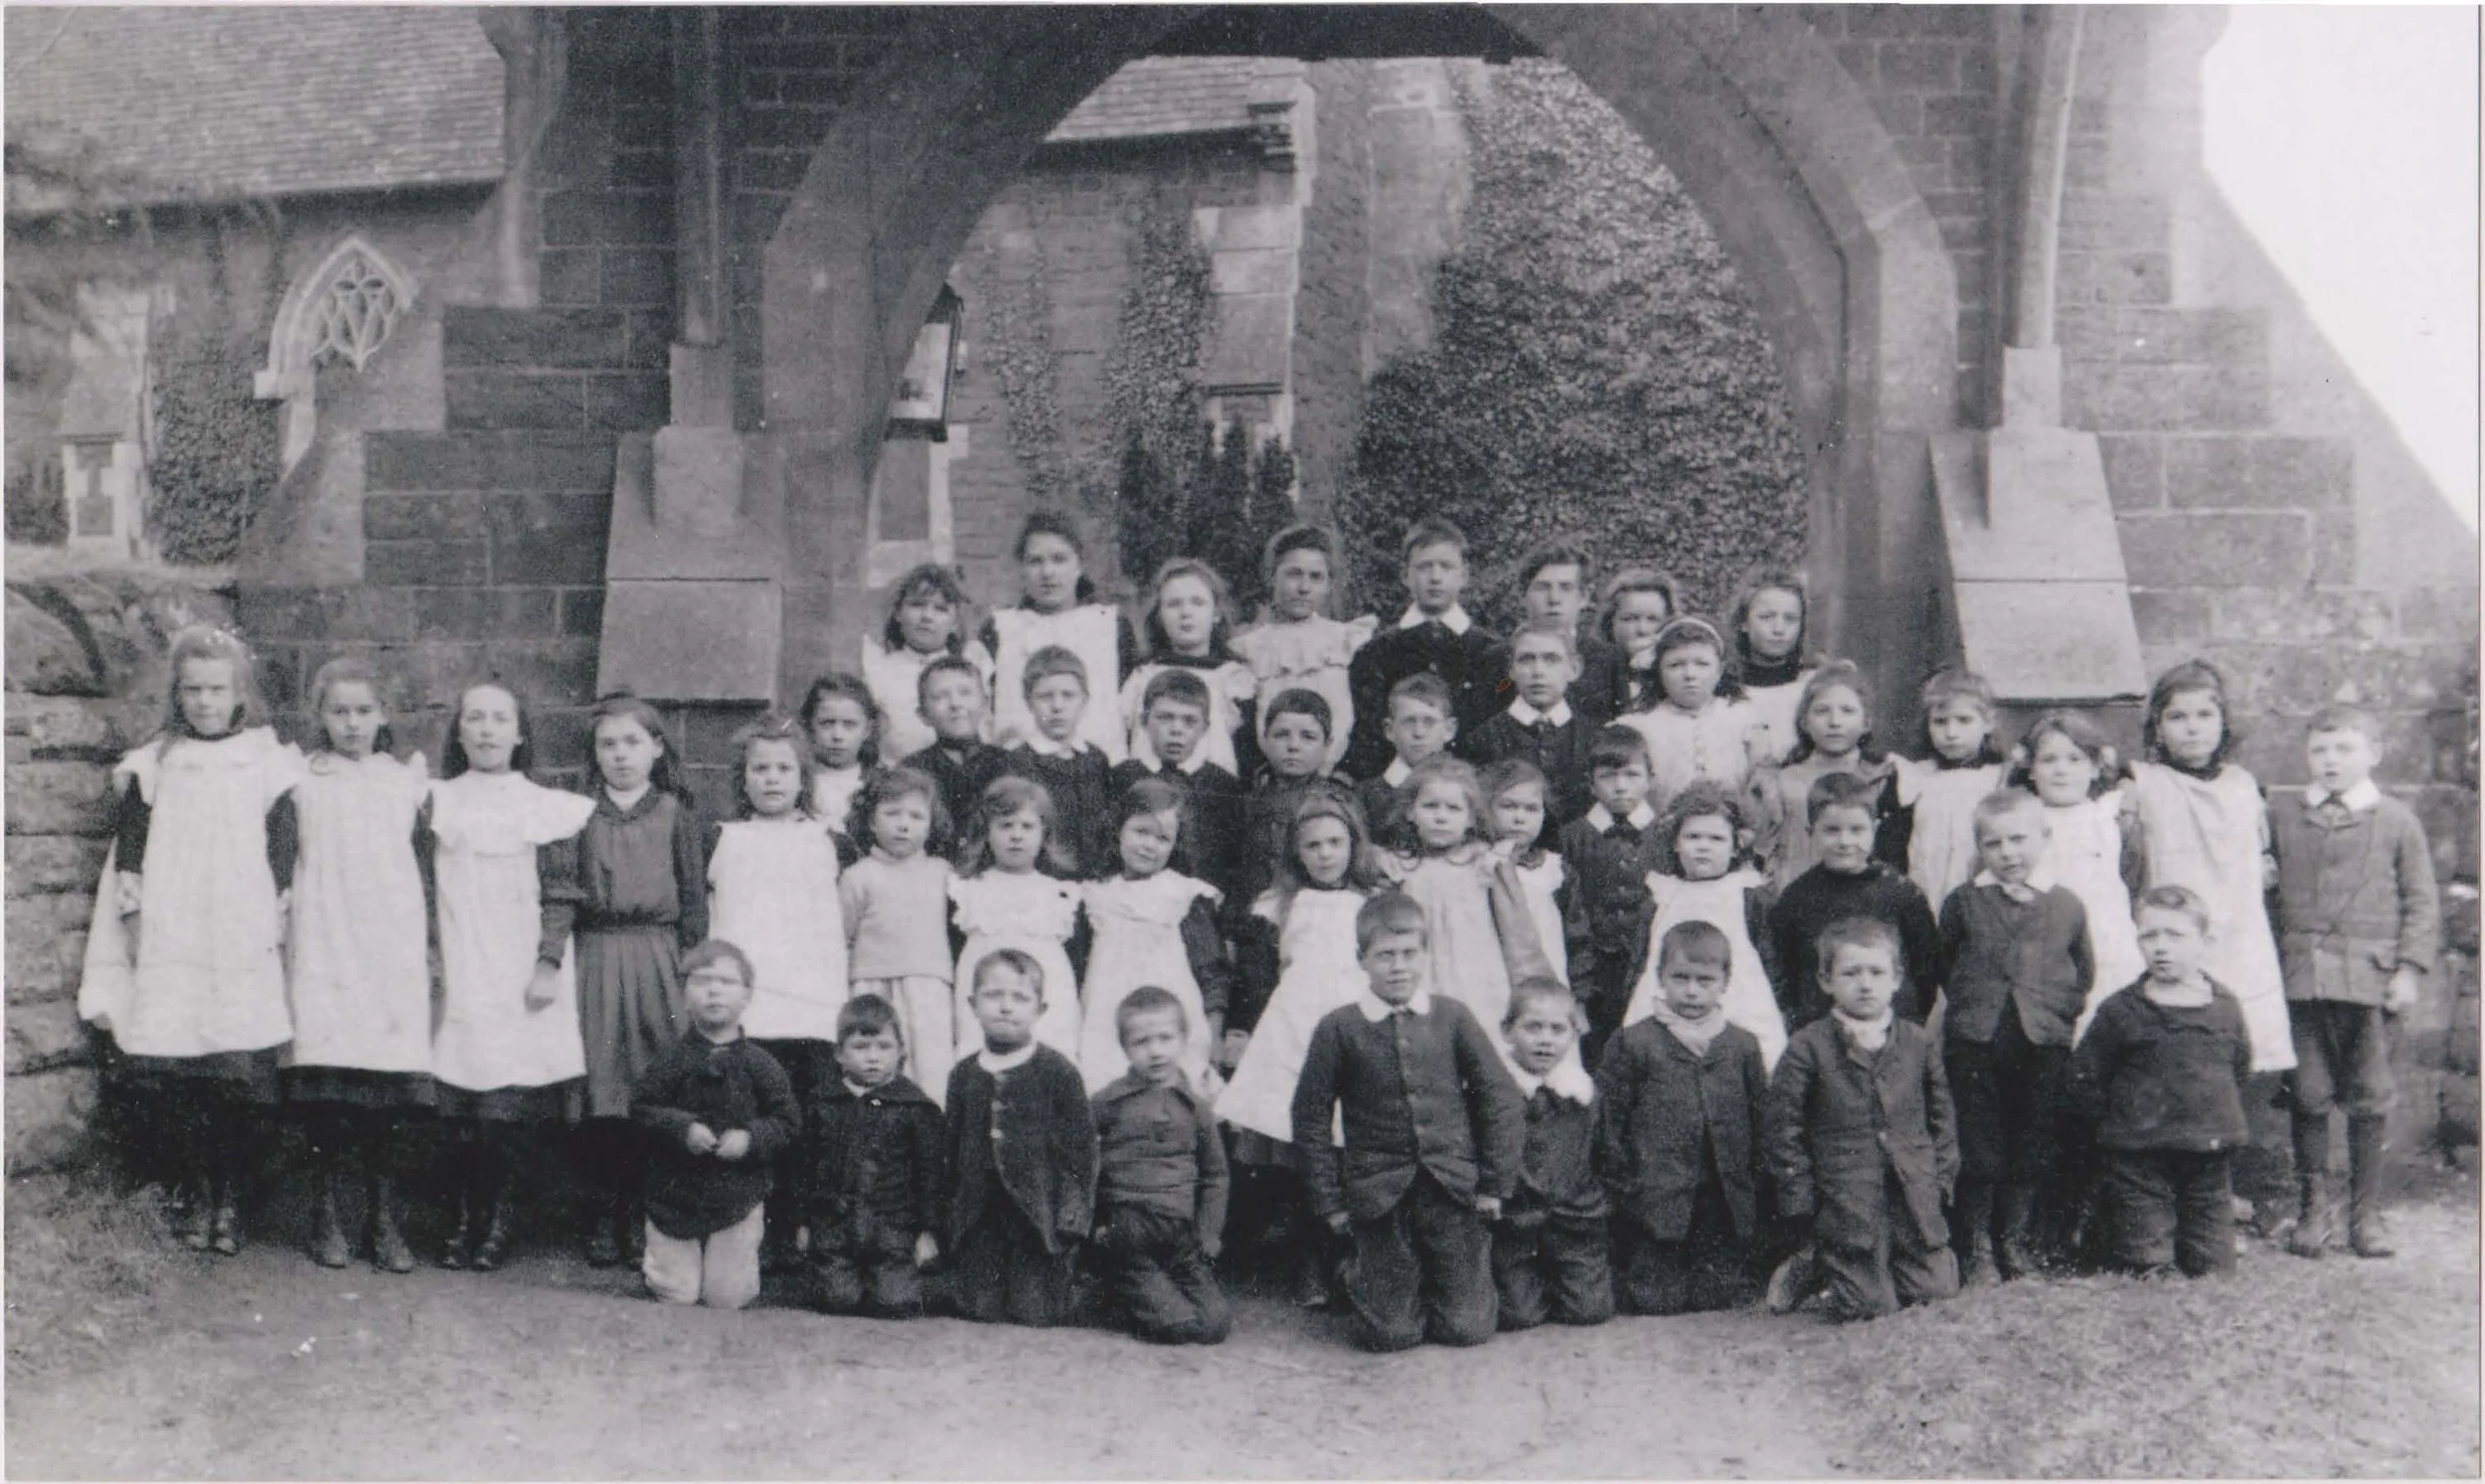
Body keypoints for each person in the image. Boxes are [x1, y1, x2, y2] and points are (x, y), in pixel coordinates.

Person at [82, 625, 304, 1256]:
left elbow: (282, 852)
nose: (205, 702)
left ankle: (231, 1197)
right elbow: (130, 854)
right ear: (177, 696)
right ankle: (194, 1191)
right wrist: (133, 920)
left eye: (217, 690)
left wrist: (276, 918)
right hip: (175, 925)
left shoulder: (265, 762)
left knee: (236, 1068)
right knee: (177, 1069)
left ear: (240, 695)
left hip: (238, 928)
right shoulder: (155, 765)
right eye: (193, 691)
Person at [1290, 893, 1526, 1351]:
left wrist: (1494, 1184)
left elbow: (1500, 1098)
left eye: (1408, 954)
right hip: (1379, 1196)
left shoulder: (1452, 1017)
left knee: (1467, 1329)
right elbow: (1310, 1118)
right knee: (1390, 1334)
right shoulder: (1339, 1028)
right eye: (1384, 956)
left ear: (1426, 954)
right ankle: (1359, 1272)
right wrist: (1330, 1202)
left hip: (1452, 1190)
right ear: (1361, 960)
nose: (1398, 967)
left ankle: (1444, 1282)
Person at [423, 681, 594, 1271]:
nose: (488, 730)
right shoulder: (434, 801)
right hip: (460, 960)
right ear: (460, 731)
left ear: (520, 733)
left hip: (519, 966)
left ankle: (498, 1221)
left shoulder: (544, 806)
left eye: (500, 719)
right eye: (475, 718)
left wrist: (547, 963)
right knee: (457, 1106)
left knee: (504, 1108)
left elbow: (561, 893)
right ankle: (461, 1219)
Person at [2124, 659, 2293, 1229]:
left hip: (2240, 937)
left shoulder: (2245, 787)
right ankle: (2179, 1193)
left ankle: (2234, 1189)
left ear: (2224, 723)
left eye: (2204, 715)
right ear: (2156, 728)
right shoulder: (2142, 785)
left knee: (2244, 1062)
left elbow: (2264, 861)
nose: (2192, 728)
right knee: (2176, 1058)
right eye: (2177, 716)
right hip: (2176, 936)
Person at [2269, 705, 2438, 1259]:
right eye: (2320, 750)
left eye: (2344, 749)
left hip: (2372, 985)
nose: (2331, 761)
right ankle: (2313, 1209)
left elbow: (2421, 901)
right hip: (2303, 982)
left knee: (2369, 1097)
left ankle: (2365, 1215)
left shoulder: (2396, 821)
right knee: (2310, 1095)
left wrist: (2409, 970)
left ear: (2374, 754)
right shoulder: (2285, 815)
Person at [282, 657, 433, 1273]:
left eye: (364, 711)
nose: (351, 723)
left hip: (387, 945)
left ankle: (382, 1215)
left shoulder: (406, 781)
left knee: (385, 1092)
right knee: (327, 1091)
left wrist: (427, 944)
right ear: (321, 716)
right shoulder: (300, 778)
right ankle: (326, 1213)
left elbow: (424, 865)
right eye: (339, 711)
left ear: (384, 716)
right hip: (323, 937)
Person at [1219, 785, 1384, 1307]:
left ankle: (1349, 1260)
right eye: (1313, 846)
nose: (1326, 854)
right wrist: (1245, 1030)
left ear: (1354, 846)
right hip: (1294, 1031)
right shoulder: (1280, 905)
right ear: (1296, 852)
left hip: (1352, 1029)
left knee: (1348, 1142)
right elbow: (1259, 975)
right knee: (1300, 1146)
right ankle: (1310, 1258)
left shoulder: (1370, 904)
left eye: (1336, 843)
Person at [565, 691, 708, 1268]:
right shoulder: (578, 814)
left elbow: (693, 901)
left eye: (632, 742)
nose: (620, 755)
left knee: (655, 1090)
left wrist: (692, 971)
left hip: (658, 957)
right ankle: (603, 1213)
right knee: (602, 1091)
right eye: (607, 744)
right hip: (596, 954)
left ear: (656, 748)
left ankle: (648, 1214)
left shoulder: (675, 813)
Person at [705, 714, 849, 1272]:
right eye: (759, 769)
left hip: (812, 1003)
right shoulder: (722, 839)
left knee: (802, 1124)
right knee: (748, 1119)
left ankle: (794, 1232)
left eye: (783, 768)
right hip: (751, 1007)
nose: (771, 779)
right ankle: (748, 1233)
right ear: (742, 779)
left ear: (803, 777)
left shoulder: (830, 840)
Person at [1765, 917, 1960, 1322]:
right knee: (1870, 1306)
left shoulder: (1917, 1042)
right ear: (1826, 981)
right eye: (1850, 973)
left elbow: (1942, 1119)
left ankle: (1890, 1261)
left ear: (1897, 979)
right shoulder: (1808, 1046)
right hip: (1845, 1196)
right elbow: (1784, 1128)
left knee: (1937, 1291)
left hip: (1911, 1193)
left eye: (1877, 972)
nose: (1865, 984)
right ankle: (1817, 1259)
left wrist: (1940, 1180)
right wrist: (1801, 1196)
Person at [1934, 791, 2092, 1285]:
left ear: (2044, 839)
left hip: (2042, 1041)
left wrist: (2054, 1013)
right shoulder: (1963, 902)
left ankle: (2013, 1239)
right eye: (1993, 842)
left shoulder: (2066, 905)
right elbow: (1944, 963)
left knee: (2031, 1140)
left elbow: (2082, 971)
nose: (2007, 852)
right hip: (1977, 1041)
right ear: (1980, 848)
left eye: (2018, 839)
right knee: (1979, 1143)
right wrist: (1974, 1006)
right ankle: (1977, 1244)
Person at [2071, 887, 2252, 1278]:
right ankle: (2143, 1252)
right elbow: (2087, 1076)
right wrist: (2119, 1127)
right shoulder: (2121, 1010)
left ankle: (2197, 1245)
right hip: (2139, 1153)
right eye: (2149, 936)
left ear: (2204, 941)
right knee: (2150, 1259)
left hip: (2206, 1149)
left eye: (2175, 935)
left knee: (2215, 1266)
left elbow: (2238, 1066)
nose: (2161, 947)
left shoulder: (2224, 1007)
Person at [1596, 920, 1771, 1314]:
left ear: (1725, 981)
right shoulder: (1633, 1042)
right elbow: (1610, 1119)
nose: (1692, 991)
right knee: (1656, 1300)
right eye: (1680, 978)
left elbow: (1760, 1117)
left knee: (1718, 1296)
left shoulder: (1741, 1045)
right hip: (1656, 1195)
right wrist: (1624, 1180)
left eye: (1705, 980)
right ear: (1660, 977)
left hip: (1719, 1195)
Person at [630, 940, 798, 1310]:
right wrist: (681, 1127)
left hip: (737, 1192)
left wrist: (751, 1138)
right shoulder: (671, 1060)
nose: (714, 990)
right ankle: (664, 1263)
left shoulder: (761, 1064)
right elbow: (642, 1108)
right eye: (702, 981)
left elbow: (787, 1122)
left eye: (727, 981)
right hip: (674, 1192)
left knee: (726, 1297)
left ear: (747, 995)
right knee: (679, 1295)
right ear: (685, 995)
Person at [941, 948, 1097, 1327]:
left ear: (1040, 1010)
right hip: (981, 1215)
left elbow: (1081, 1152)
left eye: (1020, 998)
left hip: (1035, 1215)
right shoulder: (964, 1075)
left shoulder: (1058, 1072)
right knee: (977, 1308)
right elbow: (950, 1148)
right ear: (973, 1004)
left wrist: (1072, 1218)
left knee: (1037, 1311)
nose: (1006, 1007)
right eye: (994, 996)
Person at [1090, 986, 1233, 1345]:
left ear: (1183, 1039)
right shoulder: (1108, 1103)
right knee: (1177, 1326)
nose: (1155, 1051)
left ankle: (1140, 1294)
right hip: (1129, 1229)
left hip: (1180, 1235)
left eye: (1165, 1038)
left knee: (1214, 1325)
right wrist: (1096, 1222)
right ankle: (1124, 1287)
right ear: (1124, 1047)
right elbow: (1081, 1163)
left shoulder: (1197, 1108)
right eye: (1141, 1042)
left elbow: (1216, 1175)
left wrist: (1209, 1233)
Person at [1620, 780, 1787, 1072]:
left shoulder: (1748, 895)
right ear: (1675, 842)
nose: (1703, 847)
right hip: (1666, 998)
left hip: (1740, 1002)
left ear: (1737, 846)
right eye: (1693, 837)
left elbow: (1772, 960)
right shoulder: (1662, 895)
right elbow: (1641, 960)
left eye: (1716, 839)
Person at [1382, 756, 1557, 1037]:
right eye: (1430, 806)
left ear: (1471, 817)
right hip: (1421, 978)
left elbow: (1519, 938)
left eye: (1453, 808)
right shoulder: (1400, 870)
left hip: (1477, 980)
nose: (1441, 816)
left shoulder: (1485, 866)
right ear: (1410, 812)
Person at [1075, 779, 1231, 1092]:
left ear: (1176, 845)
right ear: (1119, 828)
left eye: (1162, 838)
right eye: (1141, 832)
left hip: (1173, 1014)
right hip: (1107, 1016)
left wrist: (1214, 1037)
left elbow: (1210, 971)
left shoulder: (1184, 895)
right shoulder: (1096, 894)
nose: (1149, 845)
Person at [1768, 772, 1942, 1030]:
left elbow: (1926, 970)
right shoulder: (1797, 898)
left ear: (1875, 829)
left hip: (1890, 1029)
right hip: (1821, 1033)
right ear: (1810, 832)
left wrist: (1908, 1022)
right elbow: (1784, 971)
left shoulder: (1902, 893)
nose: (1845, 842)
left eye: (1857, 830)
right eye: (1831, 830)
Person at [807, 993, 944, 1317]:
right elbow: (805, 1167)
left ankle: (896, 1281)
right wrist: (803, 1223)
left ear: (901, 1053)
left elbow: (930, 1174)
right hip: (835, 1226)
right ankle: (844, 1278)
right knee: (837, 1300)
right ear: (839, 1054)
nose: (873, 1058)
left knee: (895, 1304)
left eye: (884, 1047)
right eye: (861, 1047)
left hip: (892, 1229)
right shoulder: (823, 1103)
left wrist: (928, 1231)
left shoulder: (915, 1108)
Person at [2011, 711, 2146, 1035]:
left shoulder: (2109, 818)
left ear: (2097, 767)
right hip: (2046, 943)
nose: (2061, 770)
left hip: (2106, 940)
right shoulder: (2022, 821)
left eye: (2075, 759)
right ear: (2030, 769)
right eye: (2048, 760)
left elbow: (2133, 874)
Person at [1490, 978, 1614, 1330]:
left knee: (1590, 1311)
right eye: (1532, 1027)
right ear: (1507, 1031)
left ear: (1573, 1035)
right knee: (1520, 1315)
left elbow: (1603, 1153)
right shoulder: (1495, 1093)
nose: (1545, 1039)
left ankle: (1571, 1279)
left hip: (1573, 1220)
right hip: (1516, 1224)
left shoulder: (1582, 1093)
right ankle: (1524, 1284)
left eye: (1557, 1030)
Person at [1343, 517, 1503, 777]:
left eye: (1446, 567)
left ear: (1464, 576)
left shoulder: (1492, 653)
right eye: (1424, 567)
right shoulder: (1375, 654)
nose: (1435, 577)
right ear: (1406, 575)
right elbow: (1368, 736)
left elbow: (1498, 706)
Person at [839, 766, 962, 1103]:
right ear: (870, 821)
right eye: (892, 814)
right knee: (873, 1066)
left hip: (928, 987)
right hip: (872, 985)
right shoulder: (858, 876)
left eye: (916, 816)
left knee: (931, 1070)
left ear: (931, 823)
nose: (904, 824)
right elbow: (843, 937)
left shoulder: (943, 874)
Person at [980, 511, 1138, 759]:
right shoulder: (1000, 628)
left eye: (1059, 559)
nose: (1048, 572)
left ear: (1080, 565)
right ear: (1021, 568)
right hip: (1021, 772)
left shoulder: (1110, 624)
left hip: (1098, 770)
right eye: (1035, 561)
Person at [947, 776, 1084, 1062]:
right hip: (985, 989)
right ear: (987, 833)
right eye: (1005, 826)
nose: (1016, 836)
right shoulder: (970, 889)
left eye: (1027, 826)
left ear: (1045, 835)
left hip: (1044, 989)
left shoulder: (1057, 893)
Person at [1228, 524, 1374, 775]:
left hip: (1336, 776)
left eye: (1316, 577)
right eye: (1294, 574)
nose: (1304, 587)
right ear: (1272, 577)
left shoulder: (1346, 641)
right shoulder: (1249, 648)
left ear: (1329, 585)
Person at [1558, 724, 1668, 1057]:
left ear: (1650, 777)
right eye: (1608, 776)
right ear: (1591, 783)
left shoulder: (1665, 833)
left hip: (1647, 958)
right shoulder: (1572, 837)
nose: (1621, 786)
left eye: (1632, 775)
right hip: (1595, 965)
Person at [1746, 660, 1897, 892]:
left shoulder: (1880, 777)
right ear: (1805, 721)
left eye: (1847, 711)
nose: (1834, 722)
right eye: (1822, 711)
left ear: (1866, 722)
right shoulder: (1784, 781)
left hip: (1859, 894)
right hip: (1796, 891)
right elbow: (1764, 847)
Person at [1110, 667, 1246, 902]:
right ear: (1144, 721)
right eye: (1165, 718)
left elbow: (1233, 862)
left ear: (1205, 728)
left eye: (1189, 721)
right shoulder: (1122, 777)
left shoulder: (1223, 786)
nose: (1176, 730)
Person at [1119, 558, 1260, 779]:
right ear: (1159, 616)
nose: (1186, 612)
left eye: (1198, 602)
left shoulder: (1233, 677)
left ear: (1216, 614)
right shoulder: (1142, 675)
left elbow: (1247, 753)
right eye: (1174, 604)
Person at [1614, 615, 1765, 819]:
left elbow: (1761, 783)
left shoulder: (1742, 717)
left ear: (1720, 670)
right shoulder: (1640, 726)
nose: (1689, 674)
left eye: (1702, 664)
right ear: (1658, 670)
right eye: (1675, 665)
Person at [1887, 668, 2008, 915]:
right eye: (1940, 722)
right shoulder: (1916, 778)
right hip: (1927, 891)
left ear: (1988, 722)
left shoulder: (1999, 779)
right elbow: (1896, 846)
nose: (1951, 733)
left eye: (1964, 720)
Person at [998, 646, 1117, 878]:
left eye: (1068, 695)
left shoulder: (1096, 759)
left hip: (1097, 879)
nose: (1057, 707)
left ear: (1084, 700)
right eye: (1045, 697)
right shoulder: (1017, 762)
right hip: (1044, 881)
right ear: (1028, 703)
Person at [1459, 618, 1591, 828]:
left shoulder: (1593, 737)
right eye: (1526, 659)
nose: (1538, 671)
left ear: (1574, 668)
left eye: (1551, 659)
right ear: (1511, 669)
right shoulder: (1483, 739)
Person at [864, 563, 995, 763]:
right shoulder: (878, 673)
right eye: (917, 605)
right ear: (898, 613)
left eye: (940, 609)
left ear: (954, 623)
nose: (927, 617)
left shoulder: (976, 664)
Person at [1235, 689, 1342, 916]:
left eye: (1308, 737)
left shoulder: (1339, 801)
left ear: (1328, 743)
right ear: (1264, 739)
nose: (1293, 745)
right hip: (1257, 921)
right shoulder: (1247, 802)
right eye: (1282, 734)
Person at [1481, 760, 1579, 989]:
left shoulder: (1555, 870)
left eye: (1531, 809)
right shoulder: (1480, 866)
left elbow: (1577, 939)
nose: (1519, 818)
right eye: (1508, 806)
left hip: (1548, 977)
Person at [906, 653, 1011, 864]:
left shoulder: (1010, 764)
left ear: (986, 704)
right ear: (923, 714)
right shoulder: (912, 771)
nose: (955, 704)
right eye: (939, 696)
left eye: (965, 692)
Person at [1512, 542, 1619, 724]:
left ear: (1584, 597)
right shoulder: (1500, 657)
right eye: (1542, 587)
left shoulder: (1609, 660)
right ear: (1523, 595)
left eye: (1566, 588)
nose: (1554, 599)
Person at [1725, 565, 1821, 766]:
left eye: (1790, 619)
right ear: (1744, 622)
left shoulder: (1814, 684)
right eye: (1766, 617)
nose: (1779, 629)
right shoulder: (1726, 686)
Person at [1355, 672, 1459, 844]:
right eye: (1409, 721)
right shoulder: (1365, 797)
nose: (1419, 733)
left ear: (1449, 730)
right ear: (1389, 729)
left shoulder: (1468, 788)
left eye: (1429, 722)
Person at [1590, 568, 1683, 720]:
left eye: (1653, 619)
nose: (1642, 630)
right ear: (1610, 623)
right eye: (1630, 618)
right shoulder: (1592, 674)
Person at [800, 672, 881, 837]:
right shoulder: (799, 780)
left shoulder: (879, 782)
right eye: (827, 723)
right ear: (810, 726)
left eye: (849, 725)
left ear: (867, 730)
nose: (837, 735)